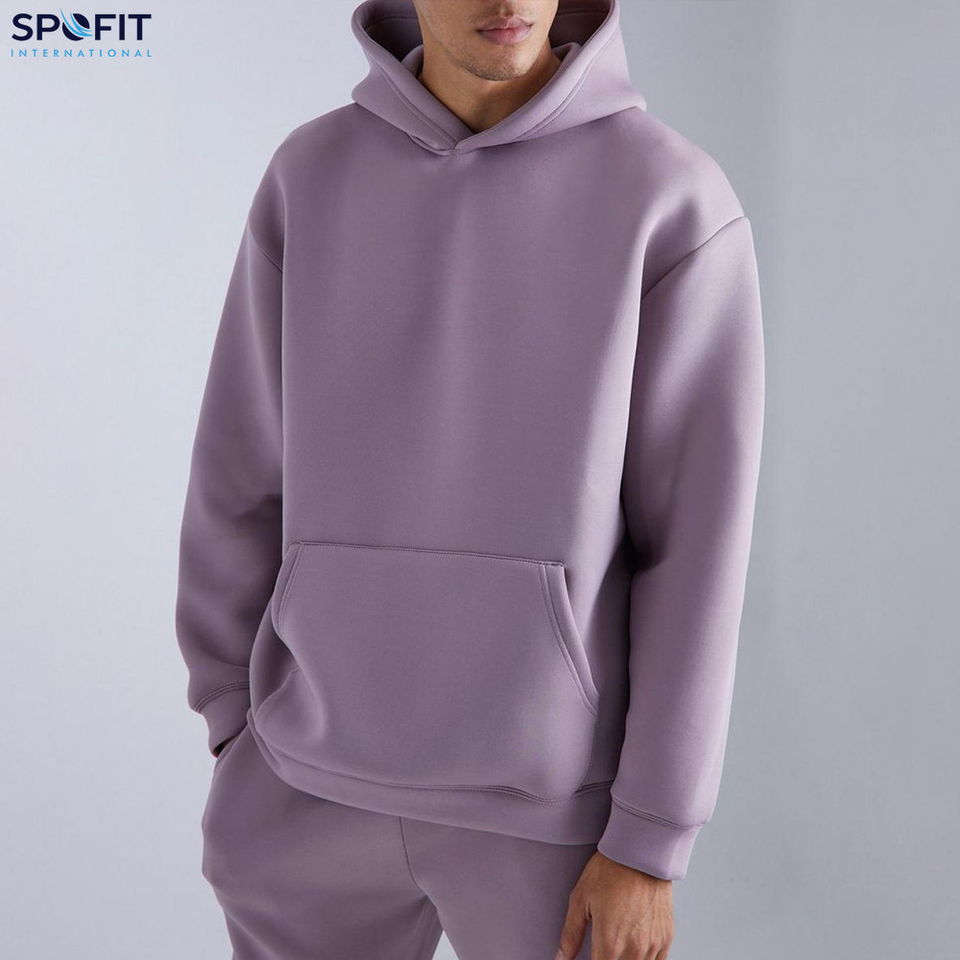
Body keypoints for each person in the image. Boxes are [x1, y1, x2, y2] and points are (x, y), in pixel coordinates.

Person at [174, 0, 765, 957]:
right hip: (300, 789)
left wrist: (652, 838)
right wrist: (231, 727)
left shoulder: (670, 197)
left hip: (556, 822)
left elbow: (695, 550)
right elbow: (238, 470)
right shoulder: (310, 176)